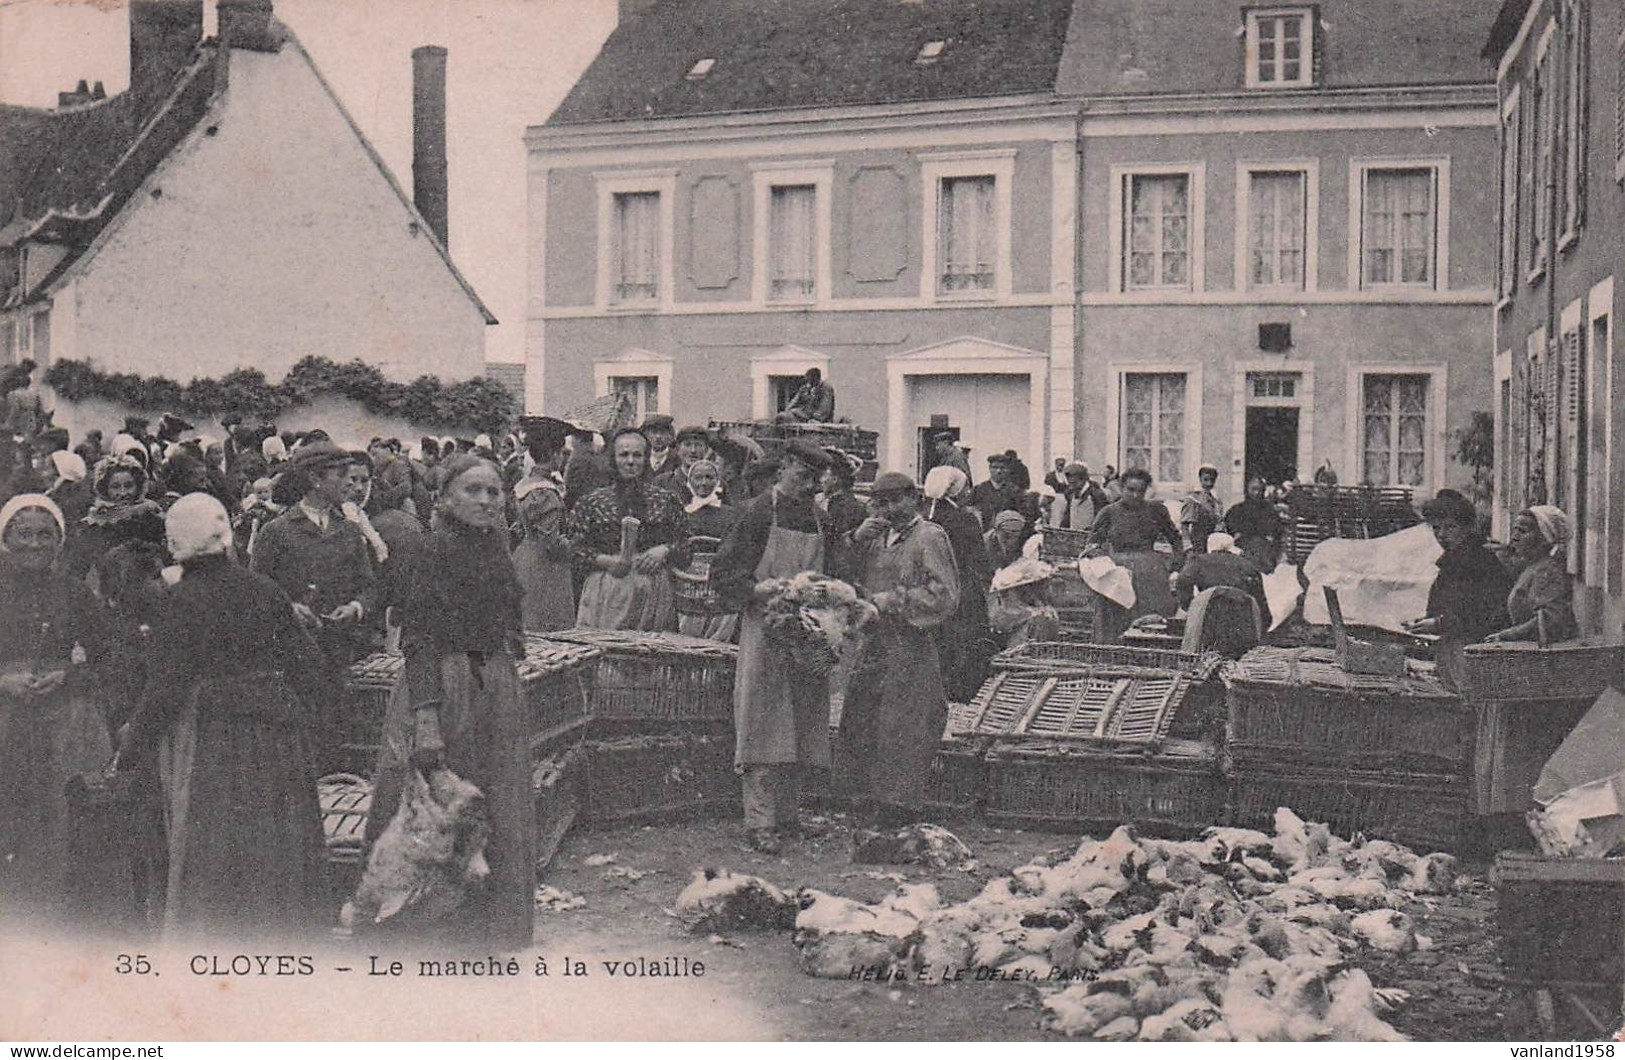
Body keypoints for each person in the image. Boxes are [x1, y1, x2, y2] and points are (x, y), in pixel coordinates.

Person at [116, 494, 326, 939]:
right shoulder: (267, 590)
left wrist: (132, 748)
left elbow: (165, 688)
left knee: (216, 838)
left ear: (174, 545)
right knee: (274, 835)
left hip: (213, 736)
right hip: (275, 734)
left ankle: (215, 936)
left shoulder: (179, 600)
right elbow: (310, 666)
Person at [365, 453, 536, 950]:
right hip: (443, 686)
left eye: (493, 491)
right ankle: (422, 935)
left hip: (494, 689)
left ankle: (483, 932)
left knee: (493, 808)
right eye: (472, 490)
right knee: (432, 812)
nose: (486, 500)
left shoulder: (495, 548)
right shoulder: (427, 551)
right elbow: (416, 639)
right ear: (442, 499)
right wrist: (426, 720)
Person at [710, 442, 838, 853]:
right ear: (784, 469)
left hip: (806, 631)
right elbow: (724, 574)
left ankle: (789, 814)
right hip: (764, 627)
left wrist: (826, 596)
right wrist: (755, 589)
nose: (810, 488)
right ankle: (759, 820)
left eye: (817, 482)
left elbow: (836, 572)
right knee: (763, 719)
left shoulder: (821, 518)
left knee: (801, 719)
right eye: (803, 477)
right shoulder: (757, 512)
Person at [0, 493, 120, 926]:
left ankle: (48, 915)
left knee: (56, 821)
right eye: (24, 535)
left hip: (61, 722)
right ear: (6, 539)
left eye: (45, 536)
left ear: (60, 541)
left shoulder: (73, 593)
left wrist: (68, 677)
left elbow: (111, 657)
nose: (35, 545)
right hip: (5, 719)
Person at [836, 473, 959, 828]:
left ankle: (900, 803)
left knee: (905, 721)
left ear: (914, 499)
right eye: (881, 502)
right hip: (872, 641)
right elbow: (845, 573)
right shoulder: (874, 538)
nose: (889, 509)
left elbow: (946, 595)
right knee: (863, 715)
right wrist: (855, 541)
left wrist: (891, 601)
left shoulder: (929, 537)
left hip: (910, 642)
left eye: (895, 501)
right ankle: (865, 797)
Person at [250, 441, 378, 757]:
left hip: (343, 653)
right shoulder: (276, 532)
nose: (350, 483)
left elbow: (370, 587)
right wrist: (288, 609)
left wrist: (356, 608)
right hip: (292, 657)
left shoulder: (349, 531)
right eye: (341, 475)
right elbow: (254, 592)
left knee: (339, 738)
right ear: (315, 479)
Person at [566, 428, 691, 631]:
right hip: (606, 593)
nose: (631, 461)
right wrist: (607, 561)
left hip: (654, 594)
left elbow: (686, 547)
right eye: (624, 455)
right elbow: (574, 550)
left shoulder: (666, 500)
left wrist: (665, 550)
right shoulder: (592, 502)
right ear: (613, 459)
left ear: (646, 458)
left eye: (637, 455)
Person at [1403, 490, 1512, 690]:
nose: (1441, 535)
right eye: (1436, 528)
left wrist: (1438, 623)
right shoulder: (1454, 560)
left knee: (1469, 701)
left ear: (1468, 527)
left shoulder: (1478, 562)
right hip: (1457, 650)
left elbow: (1480, 612)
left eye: (1450, 527)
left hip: (1477, 653)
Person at [1087, 468, 1183, 644]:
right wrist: (1103, 564)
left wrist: (1176, 567)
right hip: (1118, 573)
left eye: (1141, 491)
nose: (1136, 495)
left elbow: (1176, 539)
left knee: (1150, 621)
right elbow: (1092, 544)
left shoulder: (1156, 510)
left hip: (1150, 571)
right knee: (1116, 619)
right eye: (1130, 490)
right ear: (1122, 488)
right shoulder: (1108, 512)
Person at [923, 465, 993, 702]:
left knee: (937, 639)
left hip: (931, 588)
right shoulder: (965, 520)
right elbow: (979, 559)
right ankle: (961, 690)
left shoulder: (926, 518)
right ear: (956, 492)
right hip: (962, 587)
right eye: (965, 488)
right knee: (964, 639)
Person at [512, 424, 575, 633]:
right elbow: (551, 543)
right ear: (554, 455)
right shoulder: (545, 492)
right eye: (562, 453)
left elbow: (518, 527)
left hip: (523, 556)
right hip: (544, 566)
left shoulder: (524, 484)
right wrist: (575, 544)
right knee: (545, 623)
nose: (564, 458)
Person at [1485, 505, 1578, 644]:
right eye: (1514, 530)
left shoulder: (1547, 571)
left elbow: (1548, 620)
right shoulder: (1531, 568)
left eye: (1523, 531)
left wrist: (1506, 635)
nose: (1514, 537)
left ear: (1544, 539)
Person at [68, 453, 167, 579]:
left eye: (129, 485)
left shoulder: (152, 515)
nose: (123, 493)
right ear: (104, 489)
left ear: (138, 486)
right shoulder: (93, 524)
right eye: (115, 487)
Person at [1173, 532, 1273, 631]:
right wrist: (1265, 622)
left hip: (1209, 613)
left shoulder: (1198, 561)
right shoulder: (1246, 564)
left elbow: (1182, 581)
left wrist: (1190, 606)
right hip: (1239, 615)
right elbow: (1258, 596)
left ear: (1210, 546)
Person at [987, 557, 1061, 650]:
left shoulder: (1042, 607)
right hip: (1017, 645)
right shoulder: (1009, 601)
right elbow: (1003, 619)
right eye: (1043, 584)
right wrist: (1030, 614)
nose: (1047, 587)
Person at [1225, 475, 1284, 571]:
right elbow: (1229, 531)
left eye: (1260, 490)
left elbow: (1277, 533)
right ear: (1247, 489)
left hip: (1264, 555)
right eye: (1254, 489)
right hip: (1242, 553)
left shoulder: (1270, 511)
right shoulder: (1237, 510)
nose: (1257, 493)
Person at [968, 454, 1039, 533]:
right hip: (982, 534)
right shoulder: (979, 490)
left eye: (1002, 468)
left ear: (1008, 470)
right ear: (989, 469)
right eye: (995, 467)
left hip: (1007, 536)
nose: (998, 471)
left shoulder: (1015, 492)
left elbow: (1024, 515)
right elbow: (970, 512)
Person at [653, 425, 713, 501]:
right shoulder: (662, 482)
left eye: (698, 445)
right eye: (687, 445)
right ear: (678, 449)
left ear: (706, 450)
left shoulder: (717, 484)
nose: (693, 450)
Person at [817, 450, 868, 539]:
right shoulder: (822, 499)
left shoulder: (842, 506)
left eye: (823, 475)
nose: (820, 480)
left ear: (834, 479)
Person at [1051, 462, 1110, 531]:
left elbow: (1104, 520)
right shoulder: (1070, 494)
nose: (1071, 486)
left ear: (1083, 479)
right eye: (1069, 482)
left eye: (1074, 482)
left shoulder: (1097, 495)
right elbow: (1067, 518)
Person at [1180, 466, 1225, 554]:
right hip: (1197, 542)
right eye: (1206, 480)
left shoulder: (1215, 501)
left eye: (1212, 480)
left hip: (1212, 542)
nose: (1209, 484)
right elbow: (1185, 526)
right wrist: (1188, 547)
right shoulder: (1193, 499)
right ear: (1200, 479)